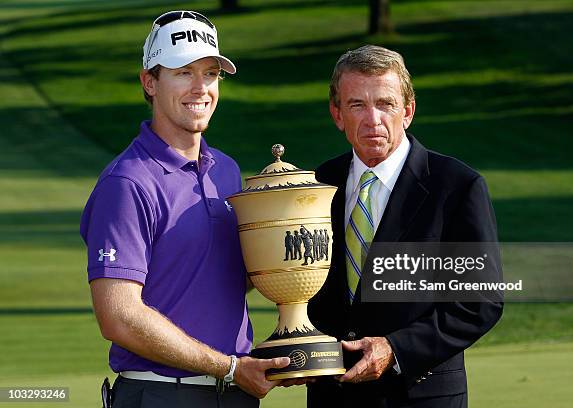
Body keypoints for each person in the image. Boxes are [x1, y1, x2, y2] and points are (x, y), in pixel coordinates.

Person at [80, 10, 288, 408]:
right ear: (149, 82)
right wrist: (227, 367)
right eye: (182, 72)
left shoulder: (225, 171)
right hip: (162, 393)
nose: (200, 87)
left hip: (234, 393)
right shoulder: (127, 183)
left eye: (210, 74)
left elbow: (225, 281)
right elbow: (118, 316)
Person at [307, 45, 503, 407]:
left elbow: (479, 302)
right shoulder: (316, 185)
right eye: (356, 105)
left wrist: (395, 349)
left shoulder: (457, 186)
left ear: (408, 111)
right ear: (337, 114)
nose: (373, 119)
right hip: (330, 397)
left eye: (385, 104)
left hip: (419, 396)